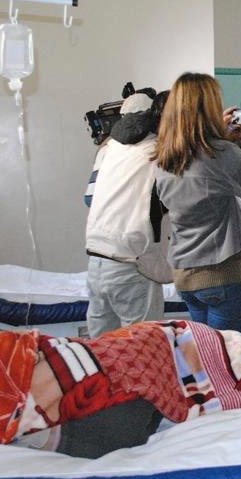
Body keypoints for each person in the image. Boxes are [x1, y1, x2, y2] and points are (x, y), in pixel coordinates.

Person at [153, 72, 241, 333]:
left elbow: (201, 172)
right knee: (225, 353)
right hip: (222, 274)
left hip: (185, 273)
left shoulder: (164, 157)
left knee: (204, 348)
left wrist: (219, 134)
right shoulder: (222, 153)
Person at [83, 92, 170, 337]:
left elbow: (89, 199)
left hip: (97, 259)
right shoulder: (159, 151)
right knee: (143, 347)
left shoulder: (108, 149)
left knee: (100, 348)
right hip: (130, 262)